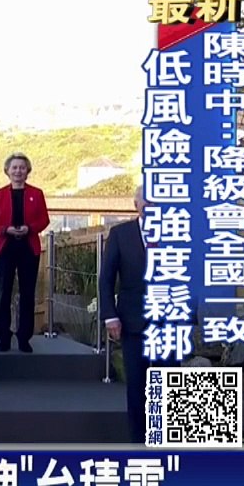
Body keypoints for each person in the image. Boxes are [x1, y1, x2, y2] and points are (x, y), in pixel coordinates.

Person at [99, 186, 151, 444]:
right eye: (147, 200)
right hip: (132, 321)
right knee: (137, 385)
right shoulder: (121, 234)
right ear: (136, 204)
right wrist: (110, 315)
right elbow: (107, 278)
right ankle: (139, 444)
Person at [0, 152, 50, 353]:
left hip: (28, 248)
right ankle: (3, 337)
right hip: (5, 247)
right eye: (14, 167)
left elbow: (44, 219)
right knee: (3, 293)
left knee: (27, 294)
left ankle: (24, 338)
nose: (18, 171)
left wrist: (30, 228)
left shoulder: (37, 193)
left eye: (22, 167)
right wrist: (5, 230)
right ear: (7, 170)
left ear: (27, 170)